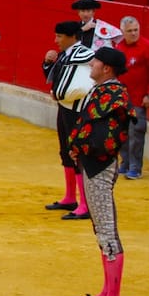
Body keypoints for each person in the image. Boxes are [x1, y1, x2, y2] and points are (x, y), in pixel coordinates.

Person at [69, 47, 131, 296]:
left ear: (106, 68)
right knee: (101, 229)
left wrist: (80, 145)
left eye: (95, 61)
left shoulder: (114, 94)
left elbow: (100, 131)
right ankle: (107, 292)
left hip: (101, 165)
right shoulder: (102, 91)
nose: (91, 64)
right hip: (92, 162)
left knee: (107, 230)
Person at [43, 21, 96, 221]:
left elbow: (85, 85)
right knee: (66, 151)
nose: (56, 40)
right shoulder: (67, 55)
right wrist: (48, 63)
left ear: (72, 37)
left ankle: (84, 203)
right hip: (64, 108)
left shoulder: (84, 55)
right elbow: (52, 77)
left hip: (78, 112)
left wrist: (60, 93)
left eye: (59, 36)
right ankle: (69, 197)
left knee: (77, 154)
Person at [115, 17, 149, 181]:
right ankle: (126, 162)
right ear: (123, 32)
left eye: (136, 30)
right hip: (122, 99)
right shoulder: (119, 48)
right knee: (121, 132)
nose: (134, 33)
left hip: (139, 99)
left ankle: (135, 167)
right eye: (130, 31)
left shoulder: (148, 47)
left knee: (136, 133)